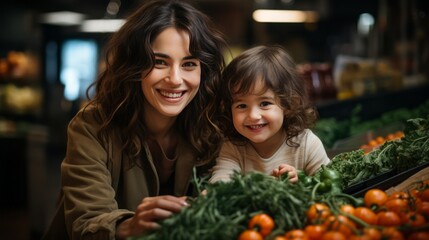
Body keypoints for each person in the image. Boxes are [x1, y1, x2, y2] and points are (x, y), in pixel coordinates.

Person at [42, 0, 227, 239]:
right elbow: (86, 222)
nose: (175, 79)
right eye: (159, 62)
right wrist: (128, 226)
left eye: (189, 64)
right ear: (134, 64)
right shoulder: (92, 125)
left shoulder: (212, 126)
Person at [209, 45, 330, 183]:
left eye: (265, 103)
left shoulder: (307, 145)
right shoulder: (233, 148)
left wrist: (302, 181)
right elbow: (220, 182)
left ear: (289, 104)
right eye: (242, 106)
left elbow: (330, 185)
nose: (253, 115)